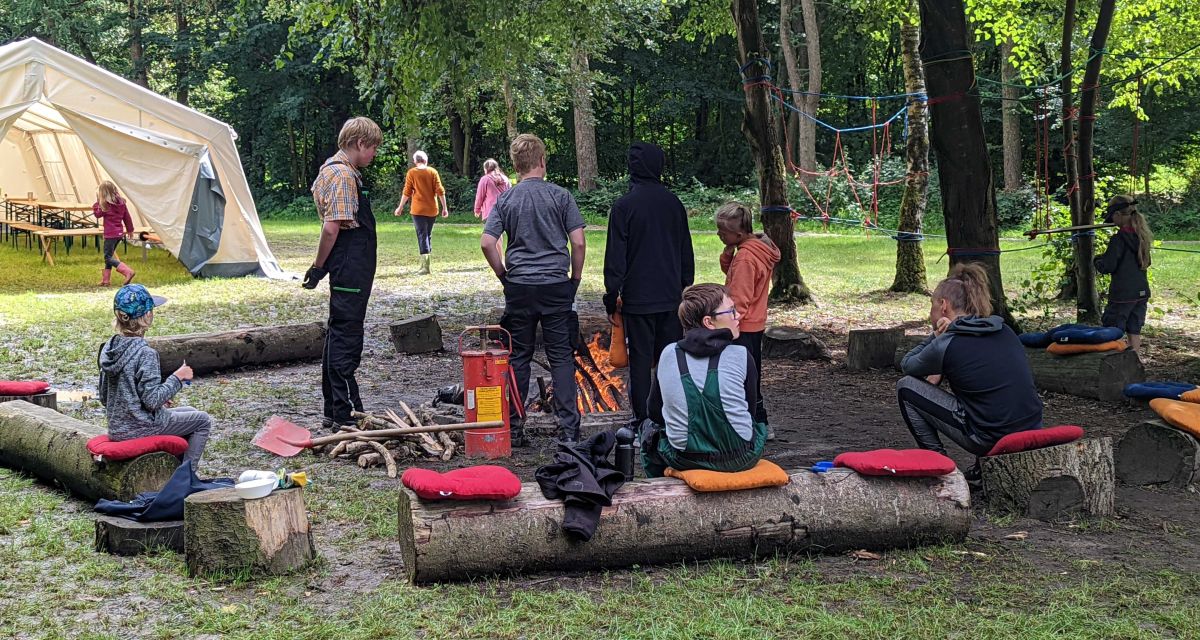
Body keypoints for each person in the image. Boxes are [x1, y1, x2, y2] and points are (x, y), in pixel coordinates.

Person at [481, 133, 586, 445]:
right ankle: (569, 430)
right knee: (561, 357)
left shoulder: (506, 200)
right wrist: (575, 279)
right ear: (542, 160)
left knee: (518, 357)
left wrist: (503, 275)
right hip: (555, 285)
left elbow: (487, 242)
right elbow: (578, 242)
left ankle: (514, 426)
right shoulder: (561, 196)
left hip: (520, 286)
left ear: (515, 165)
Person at [897, 263, 1043, 484]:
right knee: (985, 395)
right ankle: (980, 470)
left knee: (906, 387)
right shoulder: (1004, 330)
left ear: (943, 305)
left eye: (931, 305)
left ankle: (940, 471)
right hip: (1031, 428)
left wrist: (935, 336)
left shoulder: (947, 342)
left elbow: (908, 365)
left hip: (990, 438)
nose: (930, 313)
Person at [602, 142, 695, 427]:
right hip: (671, 296)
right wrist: (686, 287)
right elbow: (685, 250)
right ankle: (669, 415)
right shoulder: (674, 204)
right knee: (670, 359)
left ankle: (642, 419)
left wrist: (612, 295)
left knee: (640, 362)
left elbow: (615, 256)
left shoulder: (624, 206)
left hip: (638, 298)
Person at [303, 116, 382, 429]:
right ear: (360, 143)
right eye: (373, 147)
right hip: (350, 266)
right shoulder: (343, 176)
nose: (374, 154)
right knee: (347, 337)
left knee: (338, 332)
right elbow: (331, 228)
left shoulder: (333, 169)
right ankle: (345, 412)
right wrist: (318, 267)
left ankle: (334, 408)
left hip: (351, 264)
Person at [642, 283, 767, 477]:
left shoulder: (668, 354)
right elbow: (749, 412)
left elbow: (654, 412)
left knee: (648, 428)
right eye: (731, 311)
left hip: (684, 459)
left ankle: (656, 485)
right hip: (741, 457)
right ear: (709, 322)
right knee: (758, 426)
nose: (738, 316)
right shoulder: (742, 355)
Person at [98, 284, 212, 465]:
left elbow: (105, 398)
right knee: (203, 420)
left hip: (117, 428)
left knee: (190, 411)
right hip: (141, 428)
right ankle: (185, 476)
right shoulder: (146, 353)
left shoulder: (109, 349)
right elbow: (152, 401)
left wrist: (157, 398)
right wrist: (178, 377)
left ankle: (172, 468)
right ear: (147, 316)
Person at [716, 202, 780, 439]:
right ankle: (757, 421)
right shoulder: (755, 250)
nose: (719, 235)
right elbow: (734, 276)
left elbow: (740, 297)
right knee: (751, 374)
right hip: (755, 323)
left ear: (739, 234)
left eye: (723, 232)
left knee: (742, 378)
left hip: (741, 326)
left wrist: (726, 328)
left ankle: (756, 423)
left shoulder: (745, 258)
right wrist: (727, 254)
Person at [1095, 194, 1152, 351]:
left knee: (1112, 330)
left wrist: (1097, 260)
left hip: (1122, 295)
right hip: (1141, 292)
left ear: (1118, 214)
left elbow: (1108, 266)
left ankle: (1115, 361)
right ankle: (1135, 361)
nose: (1112, 221)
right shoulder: (1141, 237)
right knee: (1134, 330)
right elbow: (1147, 262)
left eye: (1112, 217)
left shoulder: (1118, 239)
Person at [394, 151, 449, 274]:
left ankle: (425, 267)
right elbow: (440, 191)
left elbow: (407, 192)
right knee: (427, 235)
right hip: (432, 209)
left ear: (415, 161)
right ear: (426, 160)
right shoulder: (433, 172)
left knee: (422, 235)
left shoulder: (412, 173)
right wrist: (445, 208)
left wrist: (400, 207)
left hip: (418, 210)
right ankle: (426, 264)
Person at [92, 180, 136, 286]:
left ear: (103, 194)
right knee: (110, 256)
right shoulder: (121, 203)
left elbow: (97, 214)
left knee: (107, 257)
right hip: (119, 234)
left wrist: (97, 202)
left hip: (110, 234)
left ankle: (127, 271)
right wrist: (130, 229)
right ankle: (106, 280)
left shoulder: (105, 205)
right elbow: (127, 217)